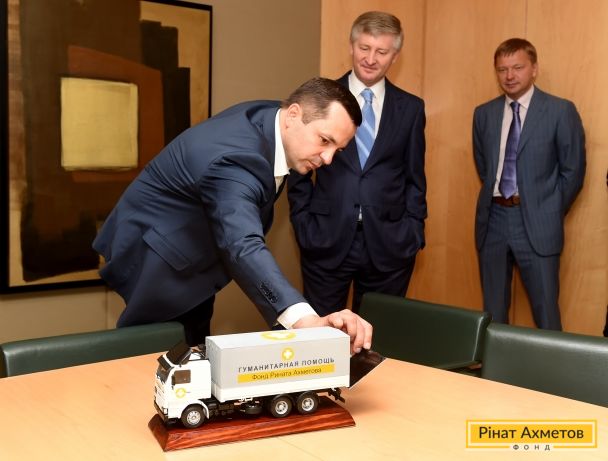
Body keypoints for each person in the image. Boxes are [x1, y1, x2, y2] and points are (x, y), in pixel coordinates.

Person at [93, 77, 373, 352]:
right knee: (149, 357)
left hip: (196, 255)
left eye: (338, 149)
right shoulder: (238, 159)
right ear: (293, 115)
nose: (328, 159)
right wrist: (304, 321)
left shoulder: (271, 119)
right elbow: (242, 244)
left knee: (194, 354)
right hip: (159, 256)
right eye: (324, 140)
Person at [287, 11, 426, 315]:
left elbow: (415, 178)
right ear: (351, 46)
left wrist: (413, 231)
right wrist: (303, 223)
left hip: (390, 245)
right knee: (320, 335)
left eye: (381, 51)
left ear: (395, 56)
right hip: (324, 240)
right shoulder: (320, 98)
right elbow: (298, 169)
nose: (371, 59)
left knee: (380, 336)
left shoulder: (411, 108)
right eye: (364, 48)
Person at [473, 38, 586, 330]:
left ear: (534, 69)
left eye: (518, 67)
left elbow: (573, 171)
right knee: (493, 314)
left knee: (546, 312)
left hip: (538, 223)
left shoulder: (560, 111)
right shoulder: (484, 114)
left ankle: (553, 363)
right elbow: (484, 167)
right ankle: (495, 361)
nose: (509, 76)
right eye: (502, 69)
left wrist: (548, 208)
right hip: (493, 220)